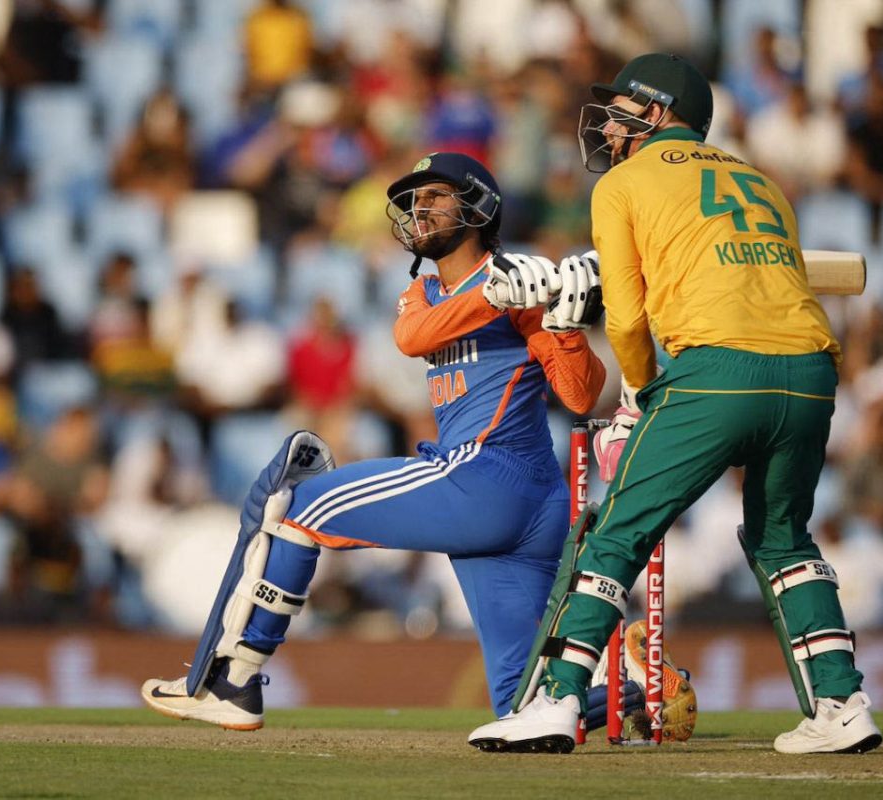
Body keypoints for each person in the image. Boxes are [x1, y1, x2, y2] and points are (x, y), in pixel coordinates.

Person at [468, 54, 882, 755]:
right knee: (782, 538)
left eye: (625, 108)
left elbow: (627, 321)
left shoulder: (626, 182)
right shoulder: (762, 180)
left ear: (659, 112)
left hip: (718, 370)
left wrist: (634, 398)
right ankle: (841, 704)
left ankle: (559, 699)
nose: (612, 124)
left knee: (616, 530)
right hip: (811, 373)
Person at [141, 152, 612, 729]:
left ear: (478, 206)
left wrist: (564, 324)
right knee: (523, 702)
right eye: (416, 199)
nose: (420, 208)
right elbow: (411, 337)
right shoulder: (431, 292)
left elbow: (581, 394)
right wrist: (500, 295)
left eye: (436, 196)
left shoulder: (520, 283)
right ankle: (638, 689)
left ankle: (236, 681)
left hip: (488, 475)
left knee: (300, 506)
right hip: (523, 498)